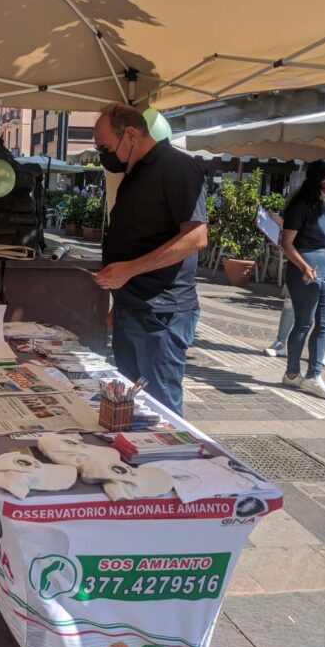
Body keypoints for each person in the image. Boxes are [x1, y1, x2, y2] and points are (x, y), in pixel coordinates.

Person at [91, 104, 208, 417]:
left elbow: (196, 237)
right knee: (131, 403)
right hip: (132, 307)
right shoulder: (134, 173)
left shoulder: (176, 166)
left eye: (105, 147)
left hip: (162, 313)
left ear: (131, 134)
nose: (102, 155)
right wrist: (120, 302)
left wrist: (129, 270)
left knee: (161, 409)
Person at [264, 172, 325, 358]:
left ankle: (319, 353)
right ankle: (281, 342)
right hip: (303, 258)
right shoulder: (307, 204)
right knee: (292, 302)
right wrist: (271, 219)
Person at [279, 159, 325, 400]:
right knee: (304, 322)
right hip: (306, 264)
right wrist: (304, 266)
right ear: (316, 179)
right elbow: (286, 243)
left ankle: (314, 375)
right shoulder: (300, 205)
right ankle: (292, 373)